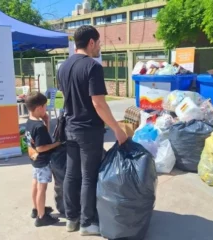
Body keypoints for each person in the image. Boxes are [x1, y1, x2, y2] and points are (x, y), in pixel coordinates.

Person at [57, 25, 128, 236]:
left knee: (71, 174)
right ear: (90, 42)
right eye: (99, 43)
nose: (100, 47)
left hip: (69, 127)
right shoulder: (92, 66)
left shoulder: (63, 66)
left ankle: (72, 218)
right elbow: (98, 103)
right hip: (88, 130)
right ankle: (87, 223)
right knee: (88, 177)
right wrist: (117, 129)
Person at [24, 92, 61, 227]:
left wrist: (46, 122)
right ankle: (42, 217)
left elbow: (38, 140)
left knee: (35, 184)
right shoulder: (38, 127)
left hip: (34, 160)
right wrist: (56, 144)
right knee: (42, 188)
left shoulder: (30, 122)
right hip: (43, 161)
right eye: (45, 107)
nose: (46, 109)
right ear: (39, 108)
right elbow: (41, 147)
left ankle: (36, 209)